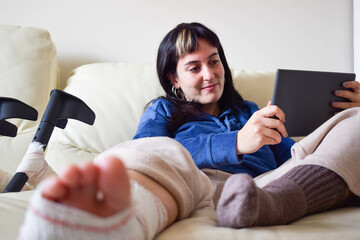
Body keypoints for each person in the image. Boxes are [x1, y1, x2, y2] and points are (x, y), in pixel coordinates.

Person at [18, 23, 360, 239]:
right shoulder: (163, 109)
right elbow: (147, 152)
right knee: (149, 154)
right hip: (197, 186)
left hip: (271, 186)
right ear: (174, 79)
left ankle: (275, 203)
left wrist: (339, 122)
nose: (210, 73)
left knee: (357, 124)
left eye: (214, 61)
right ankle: (102, 220)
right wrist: (236, 143)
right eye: (194, 67)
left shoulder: (250, 111)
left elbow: (296, 160)